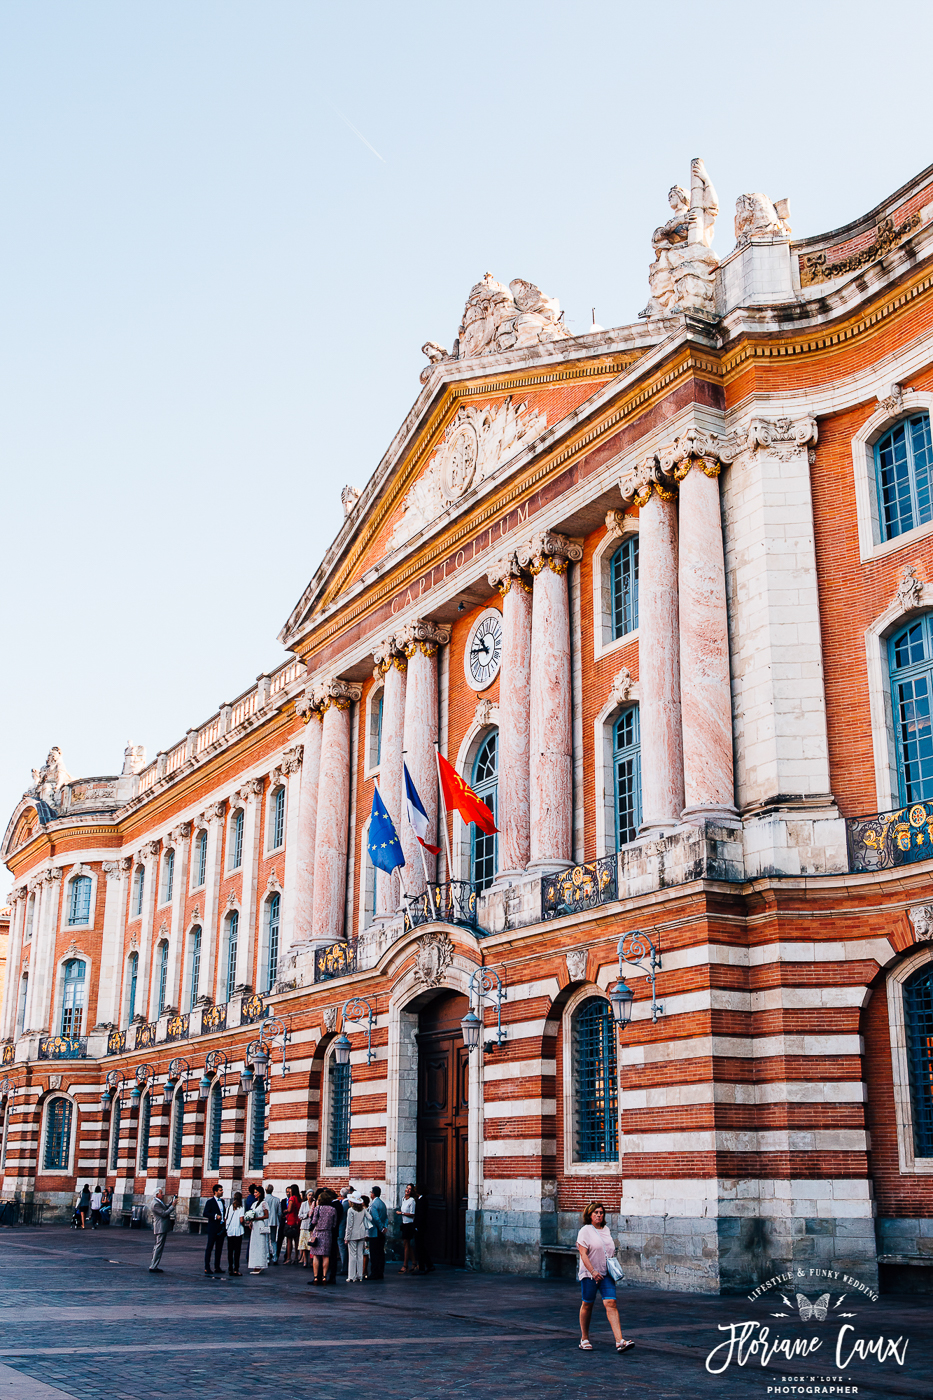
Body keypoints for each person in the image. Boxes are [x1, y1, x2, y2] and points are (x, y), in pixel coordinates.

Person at [576, 1201, 634, 1353]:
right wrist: (593, 1271)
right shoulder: (585, 1231)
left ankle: (620, 1341)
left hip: (606, 1273)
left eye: (601, 1213)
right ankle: (584, 1338)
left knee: (611, 1302)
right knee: (587, 1304)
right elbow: (583, 1254)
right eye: (596, 1213)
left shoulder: (606, 1229)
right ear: (589, 1215)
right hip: (590, 1274)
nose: (599, 1215)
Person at [307, 1189, 338, 1285]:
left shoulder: (318, 1208)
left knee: (316, 1256)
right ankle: (324, 1277)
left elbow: (314, 1221)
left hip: (318, 1233)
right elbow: (334, 1223)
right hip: (328, 1233)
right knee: (326, 1256)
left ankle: (316, 1277)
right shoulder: (333, 1209)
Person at [344, 1192, 371, 1282]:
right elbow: (370, 1218)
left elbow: (349, 1225)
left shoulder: (351, 1210)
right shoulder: (363, 1209)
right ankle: (360, 1275)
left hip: (352, 1235)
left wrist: (346, 1237)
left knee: (352, 1256)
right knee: (360, 1255)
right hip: (362, 1233)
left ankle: (351, 1276)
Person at [148, 1188, 175, 1273]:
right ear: (157, 1194)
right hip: (160, 1227)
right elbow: (164, 1213)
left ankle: (154, 1265)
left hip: (161, 1227)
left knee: (158, 1246)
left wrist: (171, 1202)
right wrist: (173, 1206)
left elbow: (165, 1208)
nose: (162, 1194)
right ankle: (153, 1266)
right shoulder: (155, 1204)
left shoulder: (158, 1202)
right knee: (158, 1247)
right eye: (161, 1193)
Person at [203, 1184, 226, 1276]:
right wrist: (215, 1216)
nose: (222, 1191)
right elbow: (205, 1213)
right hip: (213, 1228)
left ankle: (217, 1266)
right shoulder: (210, 1202)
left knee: (219, 1248)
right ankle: (207, 1267)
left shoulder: (223, 1201)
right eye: (220, 1190)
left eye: (222, 1190)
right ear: (215, 1191)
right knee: (210, 1247)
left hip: (221, 1228)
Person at [246, 1187, 270, 1274]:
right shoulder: (255, 1203)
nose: (255, 1194)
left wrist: (257, 1218)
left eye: (256, 1192)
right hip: (254, 1225)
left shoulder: (264, 1203)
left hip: (260, 1224)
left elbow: (266, 1215)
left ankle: (260, 1264)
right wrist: (251, 1221)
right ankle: (255, 1264)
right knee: (254, 1245)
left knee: (260, 1245)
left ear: (260, 1193)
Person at [413, 1186, 435, 1275]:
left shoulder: (423, 1200)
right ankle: (429, 1265)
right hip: (420, 1227)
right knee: (421, 1247)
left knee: (420, 1248)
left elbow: (421, 1215)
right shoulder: (420, 1199)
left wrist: (417, 1226)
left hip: (420, 1227)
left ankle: (422, 1268)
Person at [368, 1185, 387, 1280]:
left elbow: (375, 1218)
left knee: (374, 1253)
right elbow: (386, 1217)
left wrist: (381, 1228)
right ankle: (380, 1271)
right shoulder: (382, 1203)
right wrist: (385, 1227)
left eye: (371, 1192)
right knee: (380, 1252)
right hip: (381, 1231)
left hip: (375, 1231)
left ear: (373, 1193)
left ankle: (375, 1272)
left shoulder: (374, 1204)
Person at [397, 1183, 416, 1274]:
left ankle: (405, 1265)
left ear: (412, 1191)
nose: (407, 1190)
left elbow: (412, 1214)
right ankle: (414, 1262)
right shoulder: (404, 1199)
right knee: (407, 1244)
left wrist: (402, 1213)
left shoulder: (412, 1201)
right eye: (407, 1188)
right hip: (404, 1224)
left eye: (410, 1189)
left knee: (406, 1244)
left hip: (409, 1224)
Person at [225, 1192, 245, 1276]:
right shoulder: (241, 1208)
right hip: (238, 1230)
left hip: (230, 1230)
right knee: (237, 1251)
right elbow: (241, 1220)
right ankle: (236, 1269)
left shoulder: (229, 1207)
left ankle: (230, 1268)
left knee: (230, 1250)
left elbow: (225, 1219)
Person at [281, 1185, 301, 1264]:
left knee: (289, 1241)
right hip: (297, 1220)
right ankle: (296, 1257)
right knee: (296, 1240)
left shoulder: (292, 1198)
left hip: (291, 1220)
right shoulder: (300, 1199)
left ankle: (288, 1258)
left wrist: (285, 1211)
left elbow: (289, 1209)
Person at [264, 1184, 282, 1265]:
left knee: (267, 1240)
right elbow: (279, 1212)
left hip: (266, 1222)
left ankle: (268, 1256)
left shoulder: (264, 1200)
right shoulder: (277, 1200)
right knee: (274, 1240)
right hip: (274, 1221)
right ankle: (275, 1257)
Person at [336, 1186, 350, 1276]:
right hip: (347, 1229)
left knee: (343, 1250)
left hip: (342, 1229)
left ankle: (344, 1268)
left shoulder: (344, 1205)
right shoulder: (349, 1204)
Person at [297, 1189, 313, 1267]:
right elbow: (299, 1215)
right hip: (304, 1226)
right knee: (303, 1245)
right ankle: (305, 1261)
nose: (310, 1197)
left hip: (311, 1227)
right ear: (306, 1196)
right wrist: (306, 1214)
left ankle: (311, 1260)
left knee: (311, 1245)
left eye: (312, 1195)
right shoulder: (303, 1204)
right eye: (309, 1195)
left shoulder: (314, 1203)